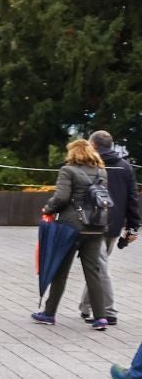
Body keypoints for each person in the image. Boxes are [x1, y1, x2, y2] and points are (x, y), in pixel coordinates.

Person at [36, 137, 114, 329]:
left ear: (72, 153)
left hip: (71, 227)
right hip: (96, 227)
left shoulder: (67, 170)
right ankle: (100, 317)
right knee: (93, 272)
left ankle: (49, 313)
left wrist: (48, 208)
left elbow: (61, 197)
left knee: (61, 271)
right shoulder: (101, 171)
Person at [79, 131, 140, 326]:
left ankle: (108, 310)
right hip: (114, 224)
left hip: (94, 223)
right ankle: (85, 306)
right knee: (98, 264)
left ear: (94, 146)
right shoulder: (125, 166)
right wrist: (133, 227)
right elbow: (132, 198)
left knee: (99, 266)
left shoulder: (90, 165)